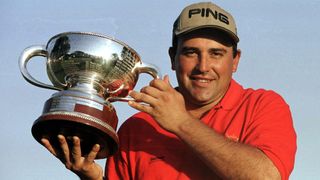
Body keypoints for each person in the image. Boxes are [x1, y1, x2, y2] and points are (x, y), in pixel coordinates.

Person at [41, 2, 297, 180]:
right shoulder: (137, 127)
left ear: (236, 60)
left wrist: (181, 122)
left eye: (216, 54)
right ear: (173, 57)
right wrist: (93, 177)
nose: (203, 67)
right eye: (190, 52)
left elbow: (267, 176)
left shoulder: (263, 105)